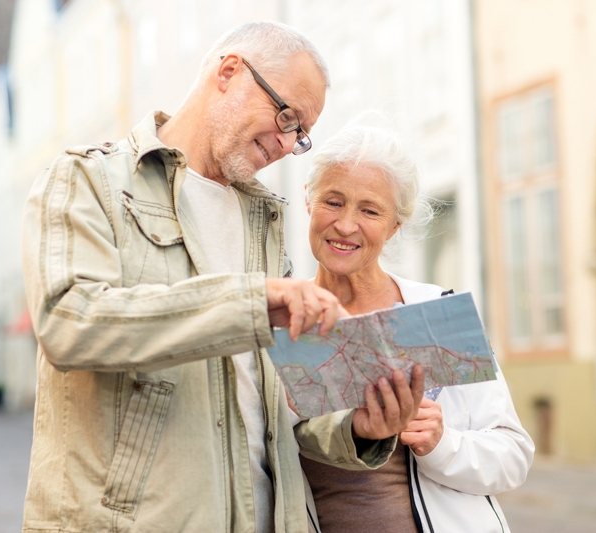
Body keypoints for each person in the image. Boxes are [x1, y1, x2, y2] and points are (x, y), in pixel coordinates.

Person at [21, 22, 423, 533]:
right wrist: (249, 303)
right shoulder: (88, 182)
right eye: (285, 116)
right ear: (229, 72)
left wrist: (358, 430)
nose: (284, 143)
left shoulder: (265, 221)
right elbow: (70, 323)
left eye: (299, 134)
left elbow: (284, 406)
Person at [299, 122, 535, 532]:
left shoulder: (434, 315)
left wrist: (441, 444)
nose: (346, 225)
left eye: (370, 210)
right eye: (333, 202)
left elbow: (513, 456)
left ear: (395, 226)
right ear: (309, 203)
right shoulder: (284, 323)